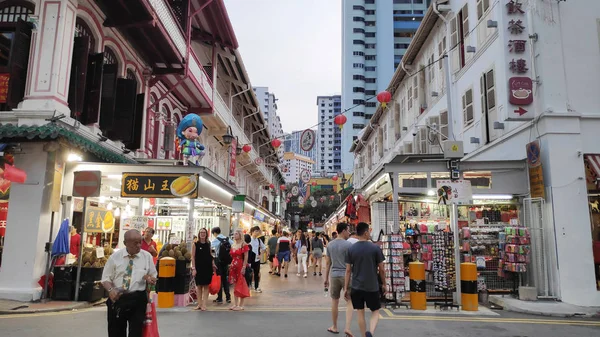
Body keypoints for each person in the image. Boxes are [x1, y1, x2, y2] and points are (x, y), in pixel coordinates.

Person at [101, 230, 157, 337]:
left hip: (138, 299)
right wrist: (110, 290)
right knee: (116, 332)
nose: (139, 245)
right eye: (135, 243)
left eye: (140, 242)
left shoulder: (146, 257)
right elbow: (105, 278)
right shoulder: (115, 257)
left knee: (136, 333)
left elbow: (153, 276)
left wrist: (150, 279)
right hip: (118, 299)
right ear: (125, 243)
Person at [345, 222, 385, 337]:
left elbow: (348, 270)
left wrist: (346, 287)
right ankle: (370, 332)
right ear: (366, 233)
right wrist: (384, 284)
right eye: (369, 232)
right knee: (375, 311)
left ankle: (363, 335)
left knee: (360, 313)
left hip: (356, 286)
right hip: (372, 286)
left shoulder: (351, 249)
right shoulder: (375, 248)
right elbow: (381, 269)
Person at [324, 223, 354, 337]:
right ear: (343, 231)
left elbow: (328, 263)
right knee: (350, 301)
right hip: (346, 275)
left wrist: (326, 279)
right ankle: (347, 328)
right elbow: (351, 264)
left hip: (334, 275)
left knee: (334, 301)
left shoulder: (330, 245)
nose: (349, 233)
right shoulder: (349, 245)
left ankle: (334, 326)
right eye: (348, 230)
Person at [191, 228, 216, 311]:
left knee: (206, 286)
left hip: (207, 267)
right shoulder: (195, 244)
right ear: (199, 234)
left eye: (204, 232)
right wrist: (193, 268)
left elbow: (210, 255)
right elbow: (193, 257)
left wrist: (213, 264)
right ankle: (199, 304)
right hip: (198, 267)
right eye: (201, 232)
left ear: (206, 234)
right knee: (199, 286)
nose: (202, 234)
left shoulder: (208, 243)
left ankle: (204, 304)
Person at [211, 227, 233, 304]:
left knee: (219, 279)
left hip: (218, 261)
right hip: (226, 262)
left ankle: (219, 298)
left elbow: (209, 247)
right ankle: (228, 297)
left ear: (214, 233)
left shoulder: (216, 240)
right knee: (225, 279)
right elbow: (232, 246)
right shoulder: (227, 239)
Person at [229, 229, 249, 311]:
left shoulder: (244, 244)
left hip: (240, 265)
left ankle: (241, 305)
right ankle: (235, 303)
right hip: (233, 265)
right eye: (234, 234)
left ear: (240, 235)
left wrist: (244, 267)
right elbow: (231, 256)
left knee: (241, 283)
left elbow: (246, 257)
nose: (235, 235)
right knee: (234, 284)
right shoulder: (233, 244)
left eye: (236, 234)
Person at [250, 226, 266, 292]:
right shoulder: (248, 240)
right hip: (249, 260)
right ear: (252, 232)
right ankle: (250, 285)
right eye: (256, 231)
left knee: (257, 273)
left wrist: (260, 255)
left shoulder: (258, 240)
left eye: (258, 231)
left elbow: (264, 248)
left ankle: (256, 287)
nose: (257, 233)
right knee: (249, 273)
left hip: (256, 260)